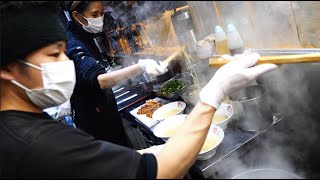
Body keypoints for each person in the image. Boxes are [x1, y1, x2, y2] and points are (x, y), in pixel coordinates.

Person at [0, 1, 277, 178]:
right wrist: (214, 91)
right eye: (53, 55)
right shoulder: (39, 145)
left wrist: (139, 156)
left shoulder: (18, 129)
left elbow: (101, 162)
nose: (65, 64)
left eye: (63, 53)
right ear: (8, 68)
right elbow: (160, 172)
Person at [62, 1, 168, 146]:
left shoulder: (85, 35)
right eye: (94, 14)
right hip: (96, 124)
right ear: (77, 16)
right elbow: (100, 80)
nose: (100, 19)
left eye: (101, 13)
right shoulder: (74, 43)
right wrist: (141, 66)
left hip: (105, 113)